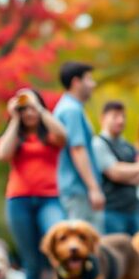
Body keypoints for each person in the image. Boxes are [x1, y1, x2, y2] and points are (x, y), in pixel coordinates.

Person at [0, 88, 67, 279]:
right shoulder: (15, 136)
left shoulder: (50, 133)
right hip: (19, 201)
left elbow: (63, 136)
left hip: (50, 199)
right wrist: (14, 118)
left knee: (60, 254)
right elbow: (3, 154)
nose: (28, 112)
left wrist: (40, 107)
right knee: (33, 264)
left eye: (31, 107)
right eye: (24, 108)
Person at [54, 61, 104, 229]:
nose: (93, 84)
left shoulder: (71, 108)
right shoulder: (71, 110)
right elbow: (77, 149)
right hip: (78, 190)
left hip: (77, 189)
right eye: (89, 79)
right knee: (87, 243)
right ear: (76, 82)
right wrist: (93, 188)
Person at [93, 101, 139, 235]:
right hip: (111, 212)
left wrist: (123, 172)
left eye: (123, 117)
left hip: (134, 210)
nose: (120, 121)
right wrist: (138, 168)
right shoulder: (99, 144)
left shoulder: (128, 146)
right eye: (115, 116)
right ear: (102, 118)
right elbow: (115, 173)